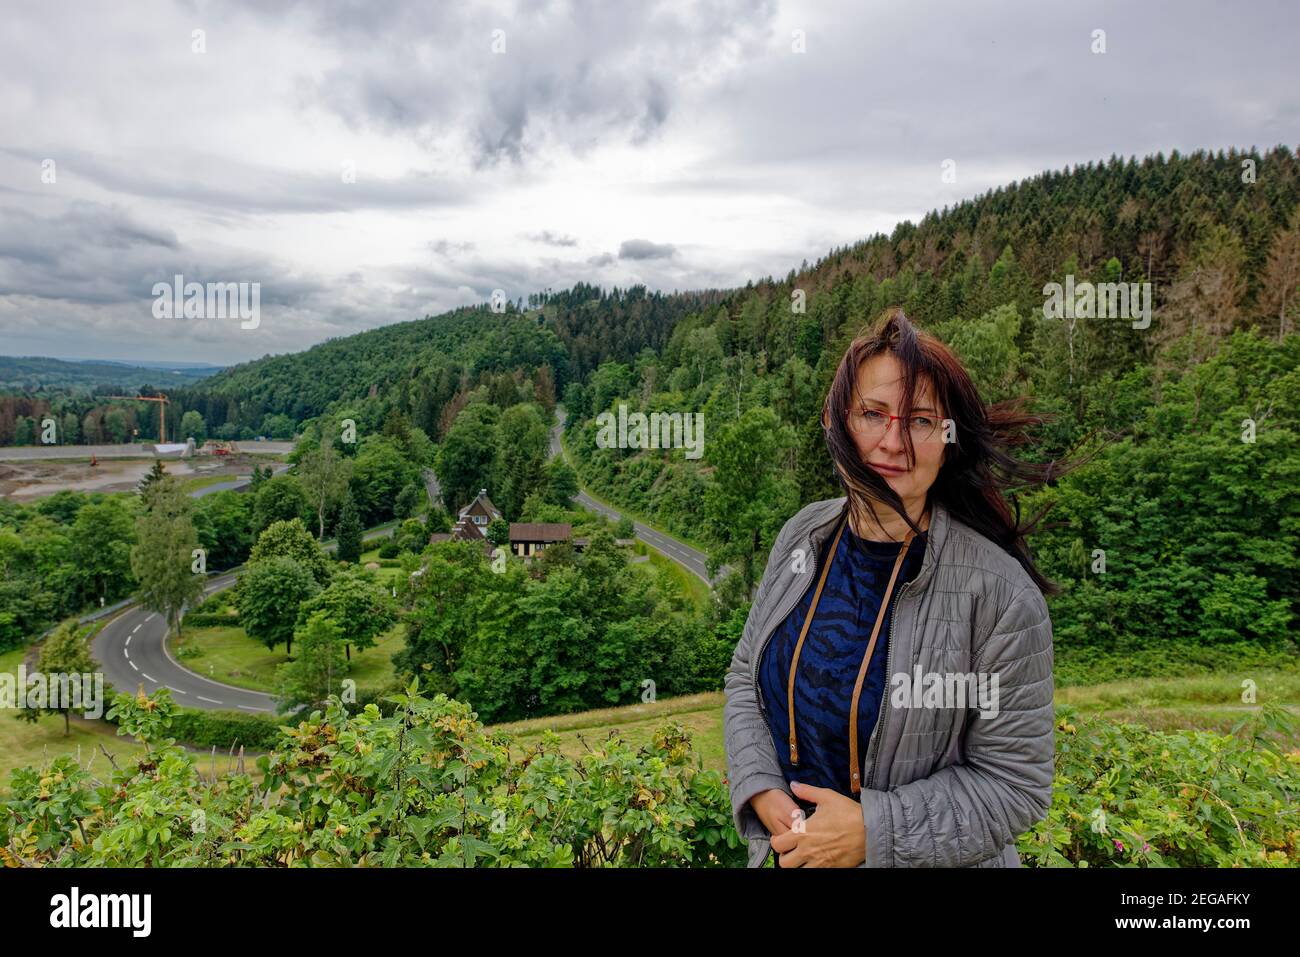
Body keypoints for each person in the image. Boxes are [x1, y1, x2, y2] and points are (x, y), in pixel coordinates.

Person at [724, 307, 1074, 868]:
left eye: (919, 421)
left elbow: (1014, 786)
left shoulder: (1000, 596)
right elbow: (746, 675)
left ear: (948, 439)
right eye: (873, 413)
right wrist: (764, 792)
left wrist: (873, 832)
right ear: (837, 420)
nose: (893, 443)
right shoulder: (801, 536)